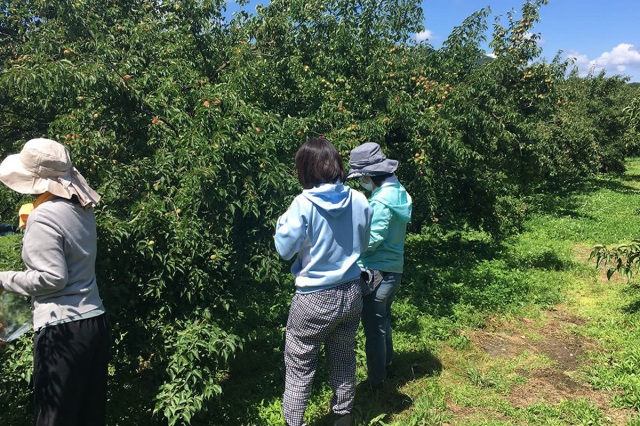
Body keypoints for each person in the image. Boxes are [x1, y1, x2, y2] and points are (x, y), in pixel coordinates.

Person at [0, 138, 110, 426]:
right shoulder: (81, 207)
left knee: (55, 418)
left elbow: (53, 278)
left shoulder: (44, 216)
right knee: (88, 415)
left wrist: (3, 279)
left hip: (63, 330)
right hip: (93, 321)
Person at [274, 137, 372, 426]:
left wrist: (281, 224)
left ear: (305, 168)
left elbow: (284, 249)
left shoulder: (302, 204)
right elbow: (363, 244)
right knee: (343, 357)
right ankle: (343, 418)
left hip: (314, 297)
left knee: (299, 366)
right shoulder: (359, 199)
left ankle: (295, 422)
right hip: (352, 291)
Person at [347, 142, 412, 389]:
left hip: (377, 273)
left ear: (369, 175)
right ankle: (387, 365)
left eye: (362, 177)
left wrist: (346, 249)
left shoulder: (381, 202)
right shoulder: (399, 192)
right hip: (393, 269)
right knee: (382, 321)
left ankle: (376, 384)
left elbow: (371, 240)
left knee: (374, 329)